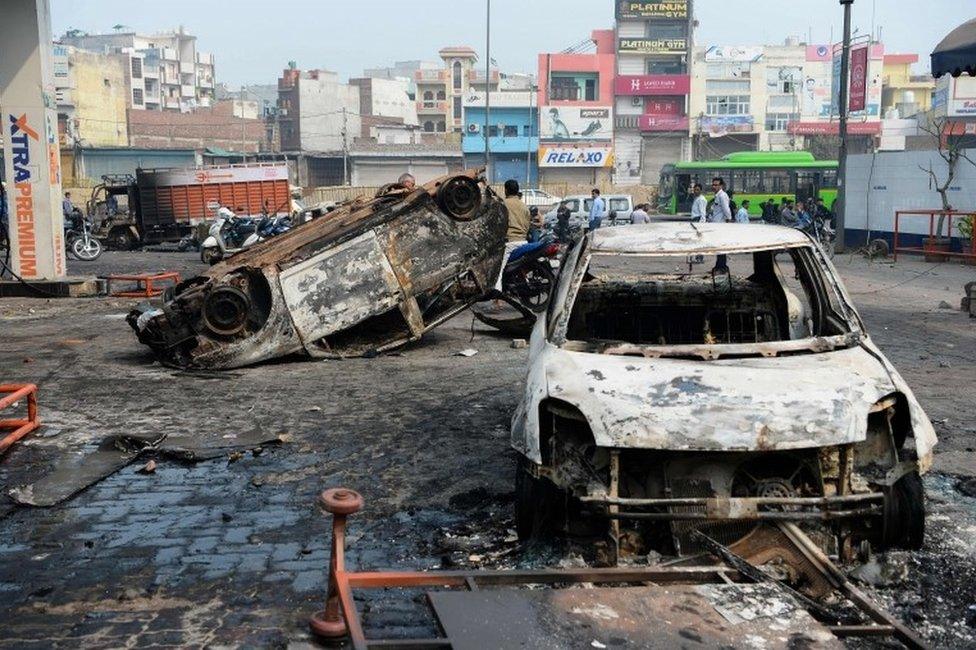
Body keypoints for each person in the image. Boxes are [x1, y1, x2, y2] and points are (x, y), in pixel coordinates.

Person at [496, 179, 531, 291]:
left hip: (510, 243)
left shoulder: (502, 204)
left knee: (497, 271)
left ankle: (497, 294)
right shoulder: (524, 206)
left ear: (506, 190)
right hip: (523, 242)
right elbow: (527, 225)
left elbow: (497, 224)